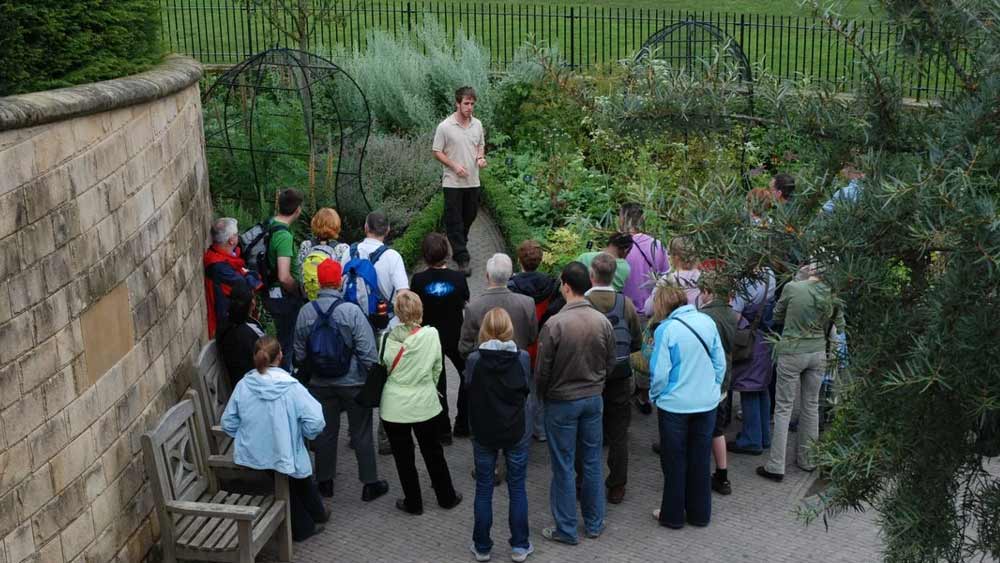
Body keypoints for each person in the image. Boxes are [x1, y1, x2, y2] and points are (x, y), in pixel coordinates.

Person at [292, 258, 389, 502]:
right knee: (361, 432)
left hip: (319, 384)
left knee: (325, 432)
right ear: (339, 282)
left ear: (319, 282)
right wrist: (373, 381)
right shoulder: (351, 311)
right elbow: (368, 354)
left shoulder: (305, 312)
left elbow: (299, 354)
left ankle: (325, 482)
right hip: (353, 382)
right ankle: (369, 484)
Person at [536, 261, 616, 545]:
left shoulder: (554, 324)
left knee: (563, 465)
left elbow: (542, 371)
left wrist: (543, 396)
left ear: (566, 286)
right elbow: (610, 362)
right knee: (592, 462)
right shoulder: (602, 321)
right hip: (593, 399)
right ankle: (594, 523)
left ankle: (567, 529)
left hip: (562, 402)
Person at [220, 336, 328, 542]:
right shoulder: (292, 387)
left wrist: (247, 434)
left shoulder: (244, 385)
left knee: (289, 469)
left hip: (254, 451)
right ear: (280, 355)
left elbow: (228, 423)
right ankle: (304, 526)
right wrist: (303, 433)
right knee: (291, 470)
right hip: (283, 451)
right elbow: (316, 420)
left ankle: (317, 512)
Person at [646, 286, 727, 529]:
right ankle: (700, 514)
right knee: (700, 458)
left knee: (674, 461)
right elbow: (720, 362)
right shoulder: (707, 321)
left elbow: (660, 372)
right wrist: (712, 387)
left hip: (675, 406)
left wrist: (655, 395)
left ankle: (672, 516)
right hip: (706, 403)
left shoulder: (666, 329)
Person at [758, 263, 845, 482]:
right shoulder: (833, 296)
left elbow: (777, 315)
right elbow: (840, 325)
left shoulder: (793, 288)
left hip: (792, 350)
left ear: (811, 271)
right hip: (818, 352)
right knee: (811, 406)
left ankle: (776, 465)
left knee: (783, 408)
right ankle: (808, 459)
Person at [380, 290, 462, 515]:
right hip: (425, 405)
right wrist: (427, 386)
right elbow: (437, 368)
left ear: (397, 313)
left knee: (403, 458)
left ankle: (413, 503)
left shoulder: (387, 339)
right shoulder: (432, 334)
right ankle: (446, 497)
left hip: (394, 407)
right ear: (420, 310)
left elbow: (383, 368)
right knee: (433, 452)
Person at [466, 308, 534, 563]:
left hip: (484, 429)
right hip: (515, 428)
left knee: (484, 489)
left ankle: (482, 546)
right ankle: (520, 546)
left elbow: (469, 387)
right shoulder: (522, 358)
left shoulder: (474, 359)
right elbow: (526, 388)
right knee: (517, 487)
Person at [582, 253, 642, 504]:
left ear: (592, 275)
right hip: (619, 375)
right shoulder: (625, 303)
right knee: (619, 433)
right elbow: (636, 339)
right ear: (614, 275)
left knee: (587, 432)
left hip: (589, 377)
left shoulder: (583, 303)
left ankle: (584, 481)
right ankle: (617, 484)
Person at [410, 233, 471, 443]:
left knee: (437, 383)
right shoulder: (458, 278)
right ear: (447, 253)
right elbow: (465, 300)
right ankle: (463, 423)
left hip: (430, 339)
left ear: (425, 255)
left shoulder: (418, 280)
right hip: (456, 336)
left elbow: (416, 309)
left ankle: (443, 431)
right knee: (467, 375)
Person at [507, 239, 559, 441]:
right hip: (544, 342)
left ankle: (524, 428)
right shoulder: (551, 284)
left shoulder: (512, 287)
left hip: (521, 341)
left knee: (522, 388)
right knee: (540, 388)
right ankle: (541, 429)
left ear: (519, 260)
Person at [433, 85, 486, 276]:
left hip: (473, 181)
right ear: (457, 103)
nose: (470, 107)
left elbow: (480, 145)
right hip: (452, 182)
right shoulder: (445, 127)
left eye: (472, 104)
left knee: (469, 216)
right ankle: (462, 258)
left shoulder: (477, 124)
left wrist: (480, 158)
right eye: (466, 103)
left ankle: (458, 244)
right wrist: (454, 166)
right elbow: (436, 151)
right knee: (454, 220)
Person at [728, 269, 777, 456]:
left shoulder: (745, 282)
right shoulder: (769, 273)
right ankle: (764, 436)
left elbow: (735, 317)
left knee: (748, 388)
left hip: (750, 339)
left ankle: (751, 439)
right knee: (761, 388)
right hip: (766, 338)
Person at [696, 282, 739, 496]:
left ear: (708, 292)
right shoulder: (732, 314)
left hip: (707, 377)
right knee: (718, 430)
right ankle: (722, 475)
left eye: (702, 291)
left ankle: (698, 475)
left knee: (701, 429)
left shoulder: (705, 316)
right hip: (724, 377)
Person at [459, 254, 538, 364]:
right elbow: (532, 337)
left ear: (487, 276)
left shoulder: (473, 308)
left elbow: (465, 348)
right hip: (517, 365)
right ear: (510, 275)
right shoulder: (527, 303)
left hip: (486, 367)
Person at [264, 189, 305, 370]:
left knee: (280, 338)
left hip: (268, 291)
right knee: (286, 344)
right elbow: (283, 276)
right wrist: (297, 289)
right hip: (283, 297)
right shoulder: (284, 237)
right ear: (297, 210)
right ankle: (282, 376)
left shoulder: (270, 223)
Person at [203, 217, 262, 338]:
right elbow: (246, 284)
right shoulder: (219, 266)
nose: (238, 236)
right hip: (228, 321)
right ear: (231, 241)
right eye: (236, 234)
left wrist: (248, 274)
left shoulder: (222, 255)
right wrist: (250, 274)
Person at [618, 203, 669, 315]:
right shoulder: (657, 244)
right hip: (654, 310)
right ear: (642, 219)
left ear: (622, 220)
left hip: (626, 312)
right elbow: (666, 276)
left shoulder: (619, 247)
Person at [215, 284, 264, 390]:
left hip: (239, 382)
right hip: (252, 386)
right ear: (252, 304)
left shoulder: (225, 325)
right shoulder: (247, 333)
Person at [296, 207, 350, 301]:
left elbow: (300, 274)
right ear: (337, 225)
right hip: (334, 300)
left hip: (310, 299)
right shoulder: (342, 249)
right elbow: (345, 279)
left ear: (314, 223)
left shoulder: (306, 245)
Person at [643, 236, 701, 314]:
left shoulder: (667, 281)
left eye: (669, 254)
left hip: (675, 320)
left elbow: (649, 309)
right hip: (701, 319)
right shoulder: (702, 278)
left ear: (676, 257)